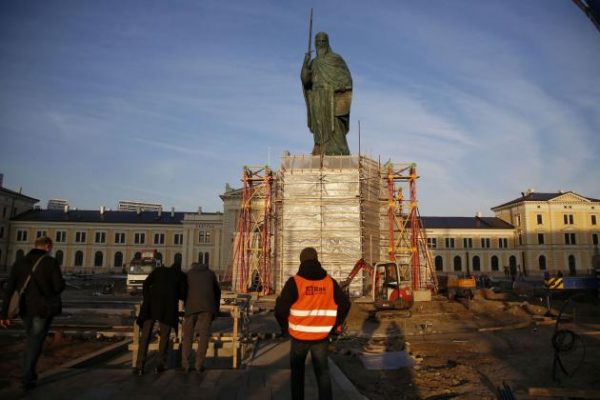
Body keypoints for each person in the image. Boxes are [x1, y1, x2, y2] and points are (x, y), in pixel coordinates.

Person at [275, 247, 351, 400]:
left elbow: (280, 310)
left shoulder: (294, 282)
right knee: (323, 374)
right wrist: (335, 325)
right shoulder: (329, 282)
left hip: (298, 337)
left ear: (301, 261)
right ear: (317, 260)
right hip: (321, 337)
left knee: (297, 375)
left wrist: (285, 328)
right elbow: (345, 303)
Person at [0, 236, 65, 390]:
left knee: (31, 338)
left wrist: (3, 315)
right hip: (43, 309)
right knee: (34, 341)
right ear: (48, 246)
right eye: (51, 247)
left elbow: (9, 290)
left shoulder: (20, 262)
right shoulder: (50, 262)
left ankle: (29, 374)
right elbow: (58, 287)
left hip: (24, 309)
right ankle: (27, 377)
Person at [301, 32, 353, 156]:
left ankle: (338, 150)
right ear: (315, 43)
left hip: (332, 98)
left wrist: (339, 86)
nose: (321, 44)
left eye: (323, 41)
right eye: (318, 42)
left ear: (327, 43)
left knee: (336, 125)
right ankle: (320, 148)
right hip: (317, 98)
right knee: (319, 124)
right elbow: (306, 81)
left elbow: (347, 79)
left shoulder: (335, 59)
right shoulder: (313, 63)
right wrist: (305, 64)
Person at [133, 261, 187, 375]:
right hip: (168, 308)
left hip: (151, 305)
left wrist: (147, 296)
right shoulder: (180, 275)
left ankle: (139, 366)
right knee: (164, 336)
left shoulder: (159, 270)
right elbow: (183, 293)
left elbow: (146, 283)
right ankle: (159, 365)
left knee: (145, 336)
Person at [181, 262, 221, 373]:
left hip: (191, 307)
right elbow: (217, 291)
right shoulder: (210, 274)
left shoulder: (188, 274)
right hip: (207, 308)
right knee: (204, 335)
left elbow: (184, 290)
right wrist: (216, 309)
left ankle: (185, 364)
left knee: (187, 335)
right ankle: (199, 365)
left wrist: (186, 303)